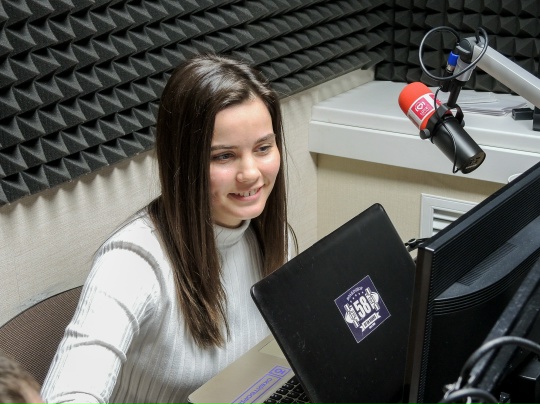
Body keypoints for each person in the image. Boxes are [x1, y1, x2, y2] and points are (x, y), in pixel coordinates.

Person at [40, 53, 296, 404]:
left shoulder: (274, 237)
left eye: (263, 148)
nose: (251, 173)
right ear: (184, 161)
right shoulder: (132, 261)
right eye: (224, 156)